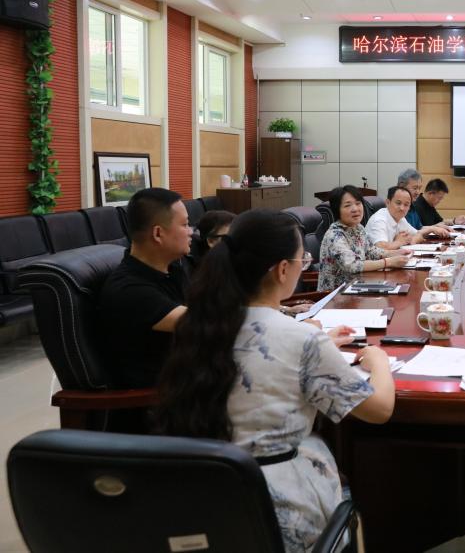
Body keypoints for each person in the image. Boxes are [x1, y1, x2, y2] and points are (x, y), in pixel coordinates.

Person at [153, 209, 395, 552]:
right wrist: (378, 361)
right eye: (302, 259)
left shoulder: (201, 326)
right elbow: (379, 410)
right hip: (277, 513)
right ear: (283, 269)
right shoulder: (302, 339)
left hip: (201, 503)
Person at [98, 187, 193, 388]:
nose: (191, 231)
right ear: (158, 234)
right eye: (185, 225)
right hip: (164, 396)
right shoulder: (129, 290)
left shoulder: (173, 269)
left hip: (190, 376)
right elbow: (204, 322)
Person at [319, 185, 411, 291]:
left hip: (358, 286)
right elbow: (352, 265)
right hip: (336, 294)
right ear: (337, 210)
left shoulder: (358, 228)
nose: (355, 209)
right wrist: (388, 262)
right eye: (347, 205)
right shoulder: (334, 235)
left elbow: (371, 251)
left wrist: (395, 253)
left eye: (358, 203)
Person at [366, 185, 450, 250]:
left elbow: (418, 235)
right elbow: (380, 248)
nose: (402, 208)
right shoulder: (379, 220)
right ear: (388, 203)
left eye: (406, 205)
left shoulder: (400, 218)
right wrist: (399, 242)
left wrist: (409, 240)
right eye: (398, 203)